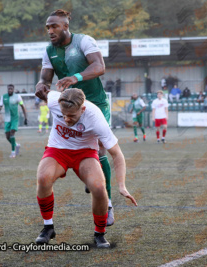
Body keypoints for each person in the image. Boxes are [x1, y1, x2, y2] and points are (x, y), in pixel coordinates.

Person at [35, 9, 115, 225]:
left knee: (99, 149)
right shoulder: (49, 51)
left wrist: (75, 77)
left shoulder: (84, 41)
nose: (50, 31)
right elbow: (45, 78)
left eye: (54, 26)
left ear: (65, 26)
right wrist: (41, 87)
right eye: (48, 28)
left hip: (95, 102)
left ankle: (107, 204)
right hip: (70, 105)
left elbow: (100, 67)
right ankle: (89, 175)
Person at [34, 88, 137, 248]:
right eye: (64, 115)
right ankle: (48, 228)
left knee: (98, 187)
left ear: (82, 109)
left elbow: (117, 154)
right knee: (43, 178)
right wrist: (41, 84)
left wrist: (122, 185)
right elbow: (42, 85)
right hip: (58, 149)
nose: (66, 120)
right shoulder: (54, 99)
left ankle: (99, 233)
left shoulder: (95, 118)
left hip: (85, 153)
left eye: (72, 116)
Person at [0, 84, 28, 158]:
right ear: (7, 89)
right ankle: (16, 145)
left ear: (13, 89)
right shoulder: (3, 97)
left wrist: (25, 118)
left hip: (15, 119)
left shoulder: (17, 97)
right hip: (7, 119)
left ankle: (13, 152)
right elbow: (1, 106)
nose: (10, 90)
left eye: (11, 89)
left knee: (12, 133)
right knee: (7, 137)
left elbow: (23, 107)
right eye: (9, 89)